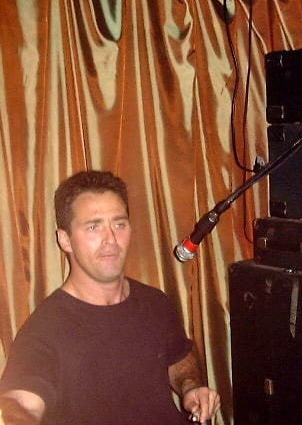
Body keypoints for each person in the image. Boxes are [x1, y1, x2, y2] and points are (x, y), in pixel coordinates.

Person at [0, 170, 221, 425]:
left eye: (119, 224)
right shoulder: (43, 330)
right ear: (65, 240)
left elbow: (178, 357)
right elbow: (22, 403)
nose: (111, 240)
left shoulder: (155, 302)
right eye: (94, 227)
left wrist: (191, 388)